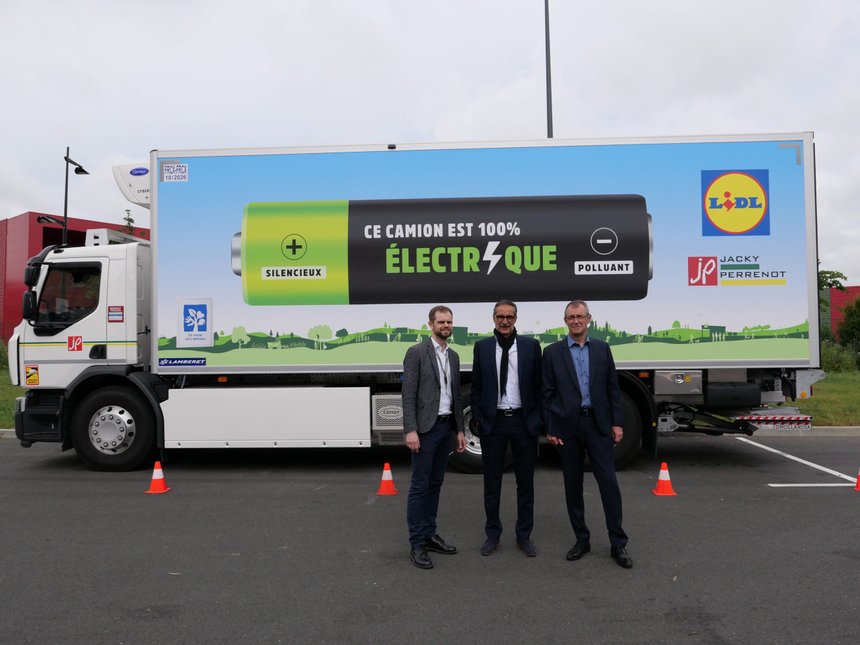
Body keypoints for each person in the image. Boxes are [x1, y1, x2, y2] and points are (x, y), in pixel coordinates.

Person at [542, 300, 633, 569]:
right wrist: (551, 427)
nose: (576, 321)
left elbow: (612, 388)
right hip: (567, 428)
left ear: (589, 318)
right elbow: (546, 394)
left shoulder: (602, 349)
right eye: (571, 317)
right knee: (573, 486)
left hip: (598, 425)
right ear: (565, 321)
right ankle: (582, 540)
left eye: (580, 316)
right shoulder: (552, 352)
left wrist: (617, 423)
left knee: (608, 483)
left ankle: (618, 543)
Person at [471, 300, 542, 557]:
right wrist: (478, 417)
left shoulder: (530, 346)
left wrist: (538, 419)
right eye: (500, 316)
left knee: (525, 483)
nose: (504, 321)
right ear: (493, 318)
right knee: (492, 483)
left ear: (515, 319)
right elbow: (477, 386)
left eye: (509, 317)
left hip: (523, 421)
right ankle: (492, 535)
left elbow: (539, 385)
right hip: (494, 423)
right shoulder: (482, 347)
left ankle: (524, 536)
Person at [402, 305, 467, 569]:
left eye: (449, 322)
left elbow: (457, 396)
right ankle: (416, 543)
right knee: (420, 485)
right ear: (431, 324)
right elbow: (408, 394)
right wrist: (410, 429)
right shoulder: (416, 353)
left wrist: (460, 430)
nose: (446, 326)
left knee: (436, 484)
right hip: (425, 430)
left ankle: (429, 534)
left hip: (445, 427)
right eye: (441, 322)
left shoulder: (454, 356)